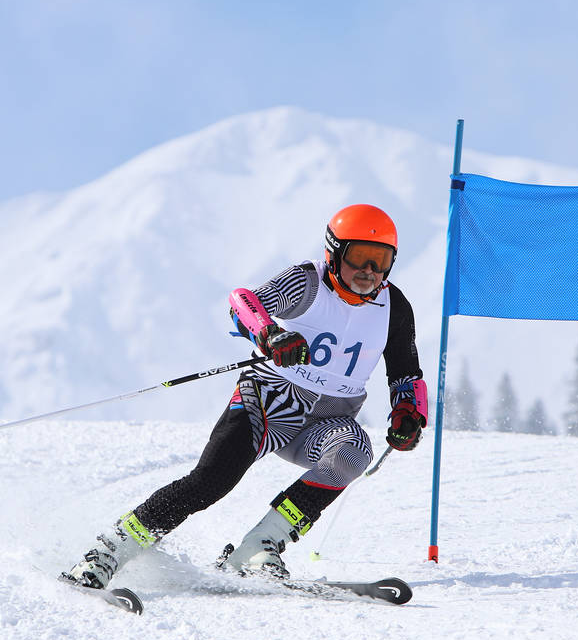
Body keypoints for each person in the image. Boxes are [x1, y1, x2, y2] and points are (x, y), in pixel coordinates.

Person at [63, 203, 427, 589]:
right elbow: (243, 302)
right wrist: (271, 334)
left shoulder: (394, 308)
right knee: (211, 482)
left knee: (352, 453)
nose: (369, 271)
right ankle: (108, 551)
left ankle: (258, 548)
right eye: (358, 257)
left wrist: (409, 413)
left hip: (325, 423)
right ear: (334, 253)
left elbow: (406, 373)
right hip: (268, 404)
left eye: (380, 260)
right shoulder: (307, 282)